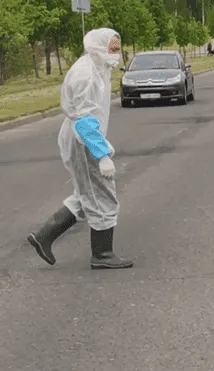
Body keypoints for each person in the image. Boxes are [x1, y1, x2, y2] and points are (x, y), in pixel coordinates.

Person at [27, 28, 133, 270]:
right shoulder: (86, 75)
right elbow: (85, 120)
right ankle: (102, 254)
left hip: (84, 136)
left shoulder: (98, 67)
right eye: (112, 48)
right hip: (83, 139)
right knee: (103, 194)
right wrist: (102, 155)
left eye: (117, 48)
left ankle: (45, 236)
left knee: (87, 193)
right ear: (98, 47)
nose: (115, 53)